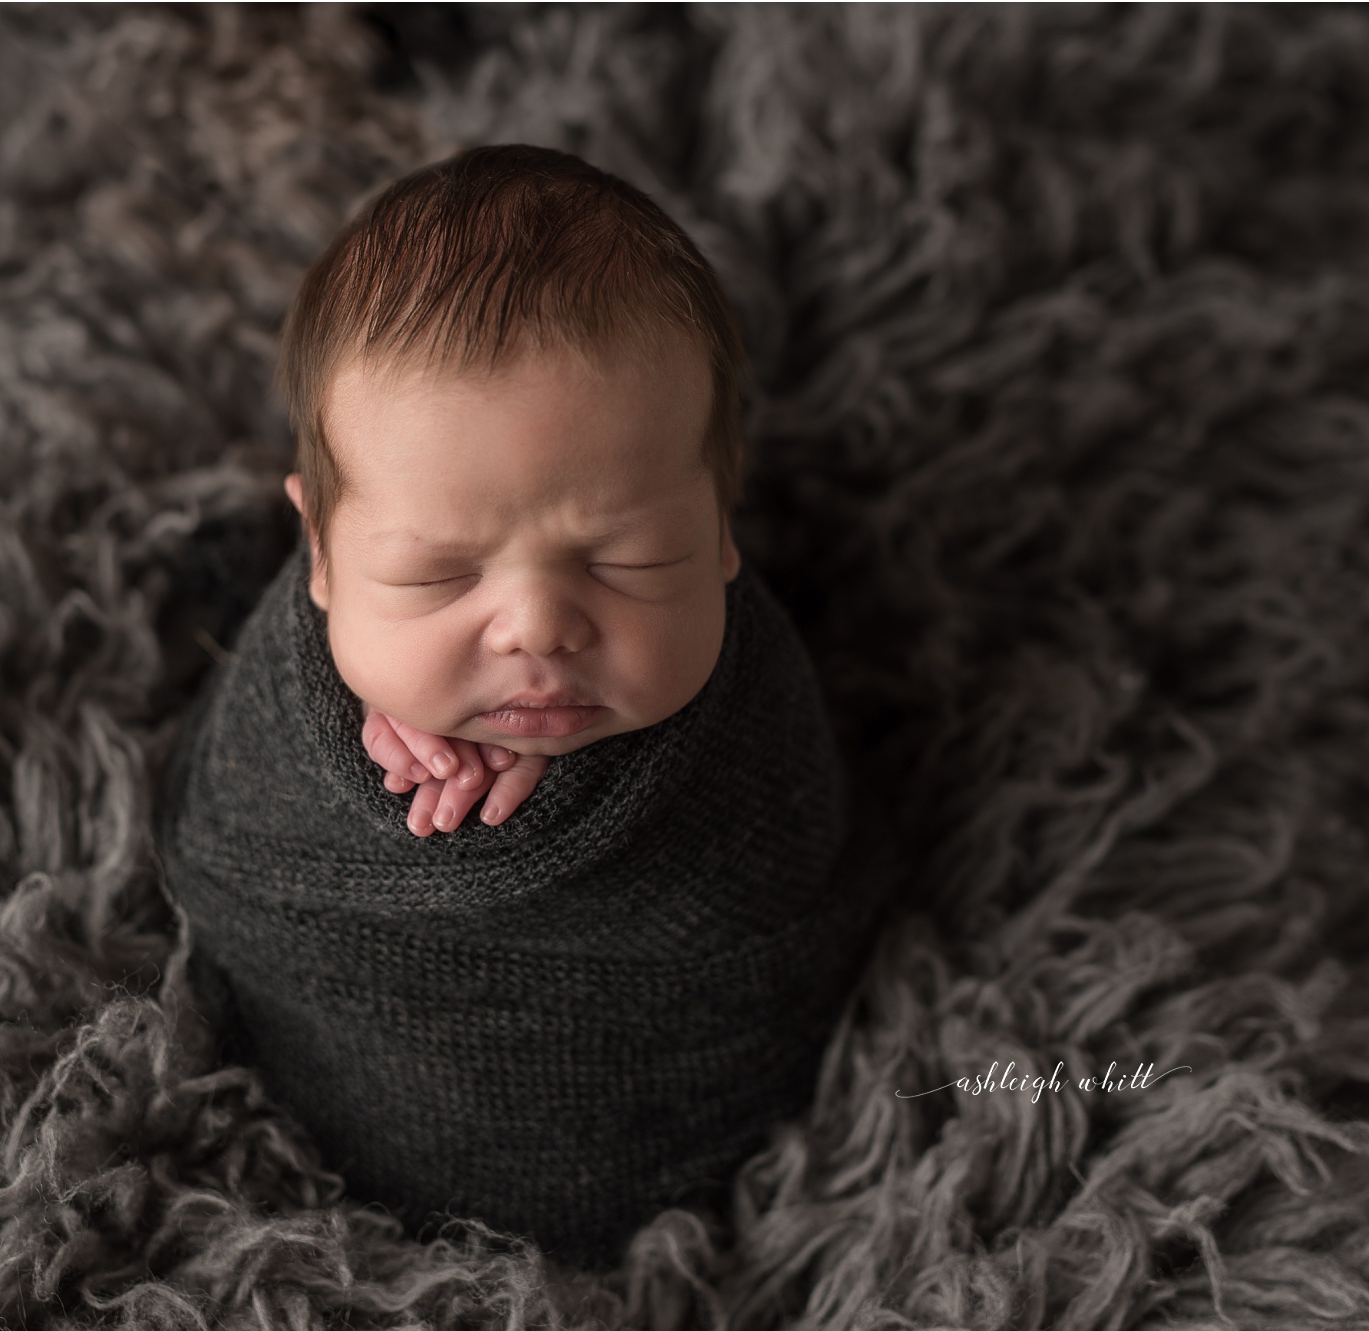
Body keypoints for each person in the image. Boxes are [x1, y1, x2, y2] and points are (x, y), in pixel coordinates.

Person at [160, 144, 862, 1263]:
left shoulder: (755, 703)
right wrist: (348, 742)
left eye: (628, 560)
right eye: (437, 577)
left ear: (720, 529)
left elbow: (779, 869)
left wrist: (581, 790)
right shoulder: (300, 649)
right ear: (321, 558)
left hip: (679, 1179)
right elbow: (223, 822)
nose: (536, 628)